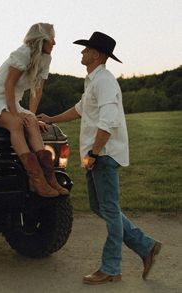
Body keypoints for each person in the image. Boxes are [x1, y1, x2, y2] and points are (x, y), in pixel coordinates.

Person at [38, 32, 162, 284]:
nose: (81, 53)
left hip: (102, 154)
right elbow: (79, 110)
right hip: (97, 155)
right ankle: (146, 246)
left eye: (86, 50)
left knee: (109, 209)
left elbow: (109, 119)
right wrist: (50, 119)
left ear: (96, 54)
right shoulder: (93, 81)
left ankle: (111, 268)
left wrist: (94, 152)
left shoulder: (104, 81)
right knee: (101, 207)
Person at [0, 22, 69, 197]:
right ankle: (36, 179)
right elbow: (9, 84)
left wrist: (32, 115)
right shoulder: (23, 53)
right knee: (16, 124)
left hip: (10, 101)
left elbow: (37, 90)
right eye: (52, 39)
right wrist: (15, 114)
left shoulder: (45, 58)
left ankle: (50, 179)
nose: (54, 43)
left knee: (32, 123)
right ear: (42, 39)